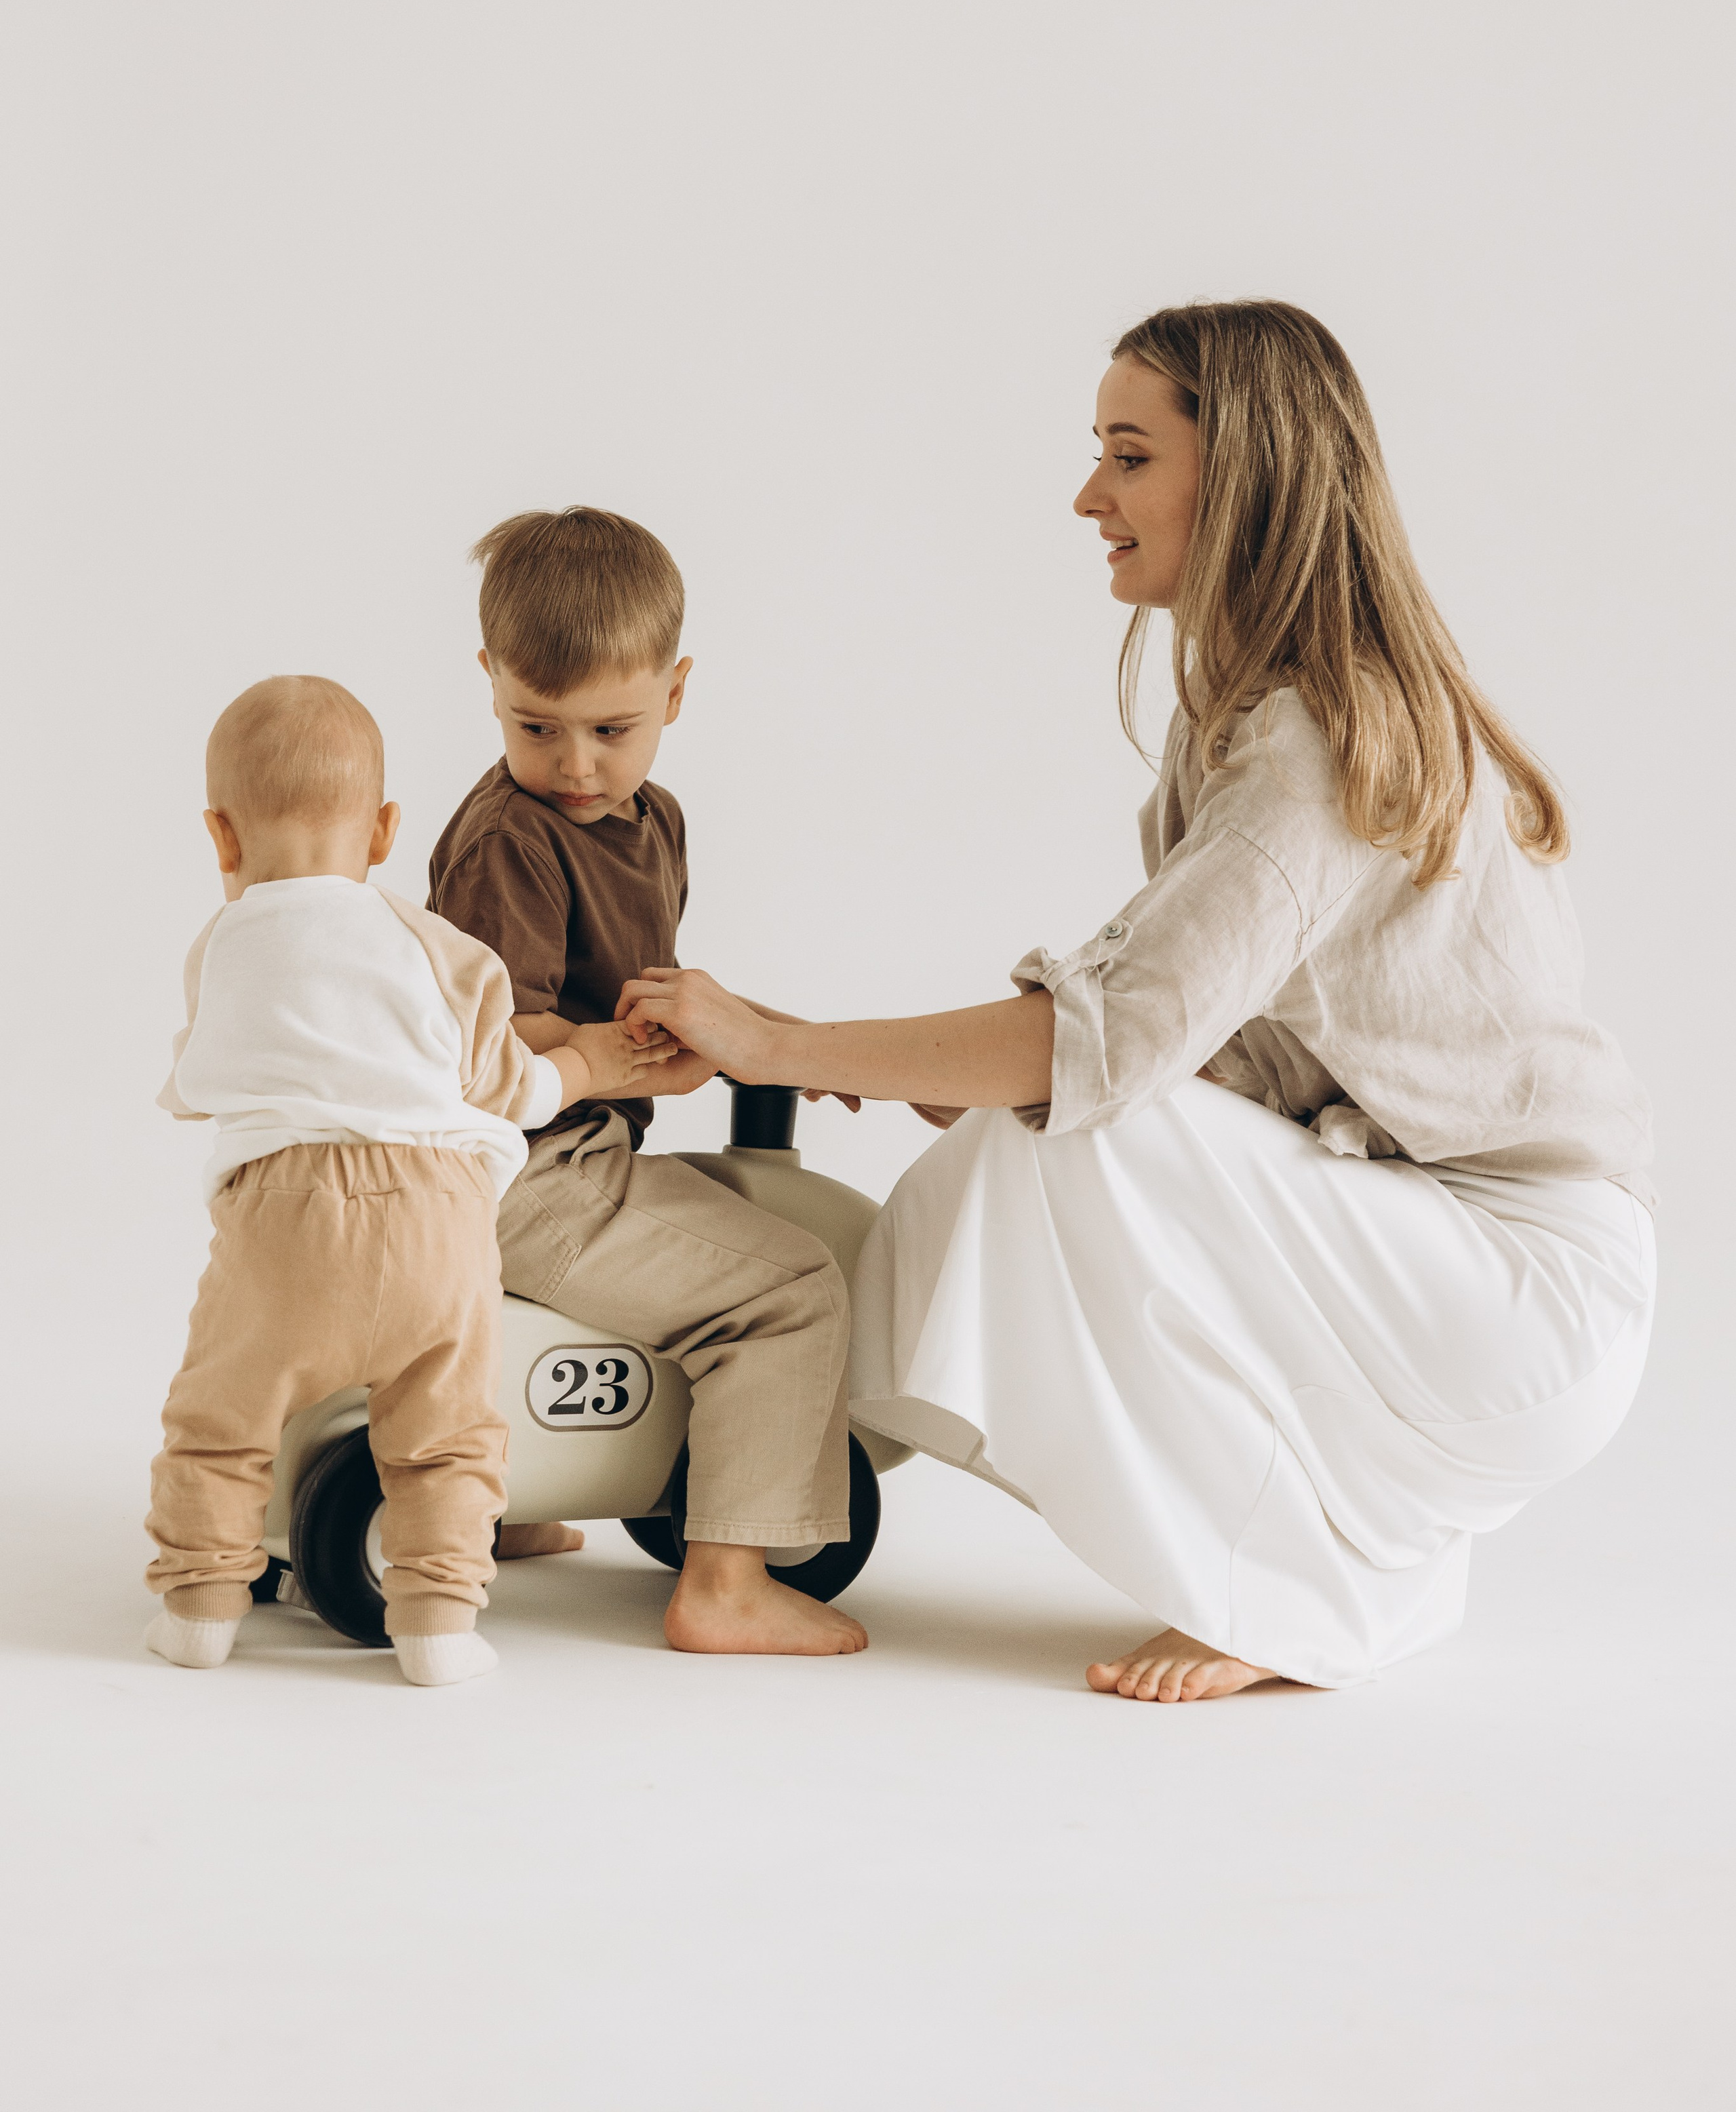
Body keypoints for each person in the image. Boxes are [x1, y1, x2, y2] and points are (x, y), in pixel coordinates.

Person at [617, 300, 1657, 1701]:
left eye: (1126, 456)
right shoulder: (1261, 715)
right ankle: (1339, 1572)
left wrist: (783, 1045)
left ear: (1242, 479)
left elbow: (1096, 1046)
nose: (1086, 496)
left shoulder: (1315, 743)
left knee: (1064, 1138)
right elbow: (1169, 1036)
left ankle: (1282, 1597)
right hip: (1459, 1272)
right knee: (1038, 1134)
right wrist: (999, 1069)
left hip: (1513, 1293)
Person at [146, 676, 655, 1686]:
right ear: (383, 832)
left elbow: (198, 1085)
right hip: (439, 1219)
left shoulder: (221, 949)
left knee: (220, 1423)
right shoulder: (437, 948)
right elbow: (513, 1084)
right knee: (448, 1434)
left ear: (221, 837)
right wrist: (600, 1063)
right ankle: (435, 1630)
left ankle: (198, 1611)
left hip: (279, 1227)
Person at [427, 506, 867, 1658]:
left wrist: (793, 1045)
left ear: (676, 692)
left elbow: (660, 995)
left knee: (725, 1225)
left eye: (611, 728)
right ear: (489, 684)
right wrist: (639, 1062)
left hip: (577, 1155)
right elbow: (491, 1046)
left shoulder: (653, 819)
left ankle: (520, 1501)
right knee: (790, 1288)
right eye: (538, 725)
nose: (575, 765)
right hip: (521, 1169)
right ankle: (724, 1585)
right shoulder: (510, 840)